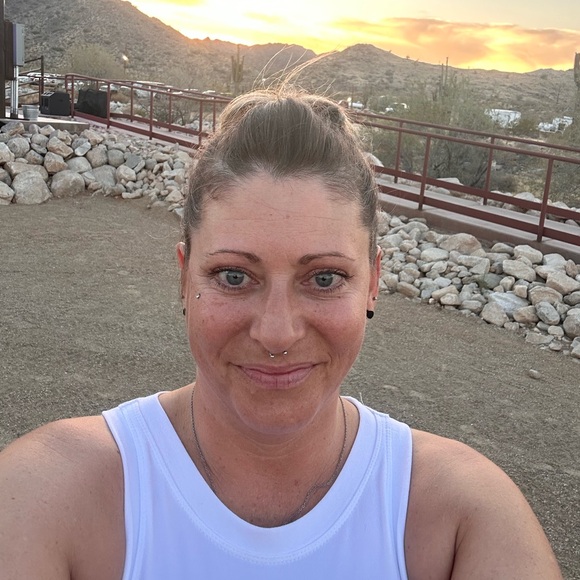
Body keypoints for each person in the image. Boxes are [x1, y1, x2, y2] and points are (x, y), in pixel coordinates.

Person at [0, 87, 563, 579]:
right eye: (233, 276)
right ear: (184, 277)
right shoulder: (47, 496)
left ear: (373, 284)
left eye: (324, 278)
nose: (277, 332)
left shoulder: (467, 517)